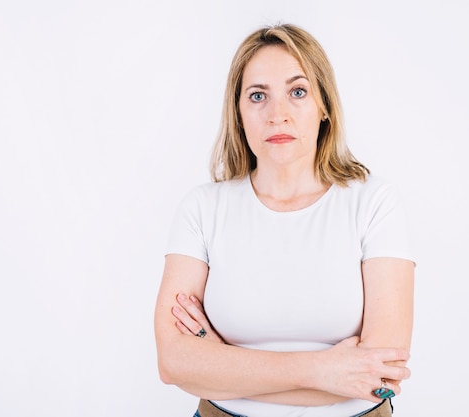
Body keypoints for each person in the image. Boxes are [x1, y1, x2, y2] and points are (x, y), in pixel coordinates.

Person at [154, 23, 415, 417]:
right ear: (238, 113)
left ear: (324, 105)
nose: (277, 115)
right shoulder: (203, 208)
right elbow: (173, 363)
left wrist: (219, 360)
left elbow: (379, 377)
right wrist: (323, 370)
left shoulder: (374, 202)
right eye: (258, 96)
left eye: (298, 91)